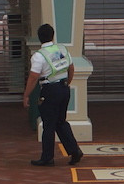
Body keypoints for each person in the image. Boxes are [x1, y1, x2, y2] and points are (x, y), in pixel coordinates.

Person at [24, 22, 84, 167]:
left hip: (50, 90)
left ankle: (47, 157)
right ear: (53, 35)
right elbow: (71, 68)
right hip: (64, 88)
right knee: (61, 121)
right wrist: (67, 83)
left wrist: (26, 95)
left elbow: (33, 77)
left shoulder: (39, 56)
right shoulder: (62, 49)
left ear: (39, 38)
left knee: (49, 124)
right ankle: (74, 150)